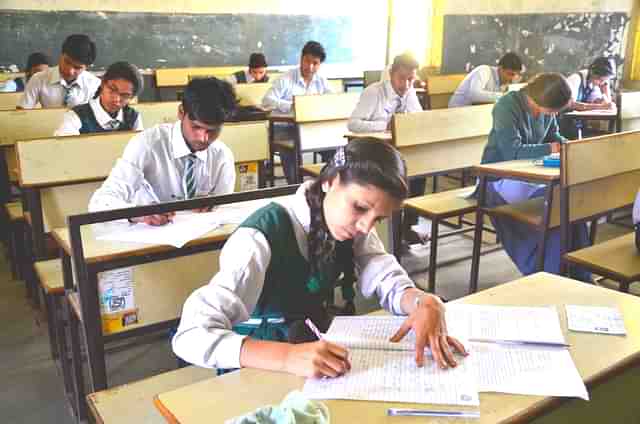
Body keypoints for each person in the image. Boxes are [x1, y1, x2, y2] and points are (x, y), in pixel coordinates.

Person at [172, 139, 467, 377]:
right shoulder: (259, 237)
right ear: (329, 181)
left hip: (313, 348)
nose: (365, 226)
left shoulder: (348, 226)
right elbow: (191, 335)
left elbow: (384, 274)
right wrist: (287, 357)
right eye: (361, 207)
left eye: (378, 219)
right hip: (257, 362)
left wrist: (422, 301)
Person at [480, 72, 590, 281]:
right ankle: (549, 271)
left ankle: (575, 272)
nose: (553, 115)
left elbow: (554, 136)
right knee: (554, 205)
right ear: (542, 101)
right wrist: (552, 148)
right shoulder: (507, 105)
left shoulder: (547, 110)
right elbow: (512, 152)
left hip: (530, 173)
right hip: (497, 176)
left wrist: (570, 146)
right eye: (554, 111)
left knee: (567, 204)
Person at [89, 77, 237, 225]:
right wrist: (138, 214)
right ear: (181, 112)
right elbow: (100, 203)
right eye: (196, 127)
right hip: (148, 240)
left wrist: (214, 206)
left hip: (199, 240)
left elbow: (225, 210)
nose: (203, 138)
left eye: (213, 130)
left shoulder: (222, 155)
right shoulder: (147, 145)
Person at [348, 52, 427, 243]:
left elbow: (419, 118)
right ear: (391, 74)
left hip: (396, 151)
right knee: (393, 178)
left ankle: (407, 228)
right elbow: (353, 124)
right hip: (372, 152)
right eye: (402, 78)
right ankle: (387, 231)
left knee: (418, 173)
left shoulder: (409, 93)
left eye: (410, 79)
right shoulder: (374, 92)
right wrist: (385, 125)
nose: (406, 85)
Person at [262, 41, 333, 184]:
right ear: (301, 58)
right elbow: (266, 100)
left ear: (320, 64)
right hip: (284, 128)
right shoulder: (285, 79)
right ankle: (294, 187)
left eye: (315, 63)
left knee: (334, 148)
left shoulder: (321, 81)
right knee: (291, 149)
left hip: (310, 129)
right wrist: (293, 106)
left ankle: (326, 184)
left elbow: (331, 100)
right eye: (307, 61)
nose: (310, 67)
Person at [54, 61, 144, 136]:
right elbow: (65, 150)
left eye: (124, 96)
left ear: (132, 97)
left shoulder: (133, 117)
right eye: (112, 89)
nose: (116, 99)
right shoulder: (75, 116)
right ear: (103, 83)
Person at [18, 34, 100, 109]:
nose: (70, 71)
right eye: (67, 62)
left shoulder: (95, 84)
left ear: (87, 67)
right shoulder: (38, 79)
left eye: (77, 68)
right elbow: (22, 113)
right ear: (61, 55)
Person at [448, 52, 523, 108]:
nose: (512, 78)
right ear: (500, 68)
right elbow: (474, 95)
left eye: (516, 75)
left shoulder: (504, 83)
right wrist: (505, 97)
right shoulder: (484, 70)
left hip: (473, 115)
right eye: (510, 74)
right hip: (457, 112)